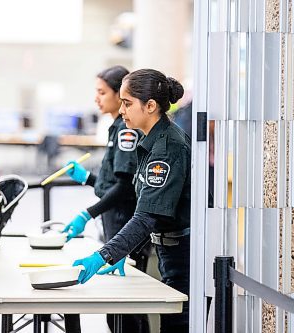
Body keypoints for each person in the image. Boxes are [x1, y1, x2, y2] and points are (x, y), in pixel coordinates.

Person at [73, 69, 191, 333]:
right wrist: (122, 251)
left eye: (127, 103)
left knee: (177, 325)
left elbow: (148, 215)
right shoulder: (153, 141)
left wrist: (104, 254)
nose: (122, 110)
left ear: (150, 106)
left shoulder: (167, 147)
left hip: (183, 253)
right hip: (167, 249)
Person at [62, 65, 149, 333]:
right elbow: (114, 182)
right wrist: (87, 178)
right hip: (115, 222)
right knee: (117, 312)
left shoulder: (126, 130)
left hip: (126, 224)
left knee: (127, 312)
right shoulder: (115, 128)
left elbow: (125, 187)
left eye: (102, 92)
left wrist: (87, 214)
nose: (97, 99)